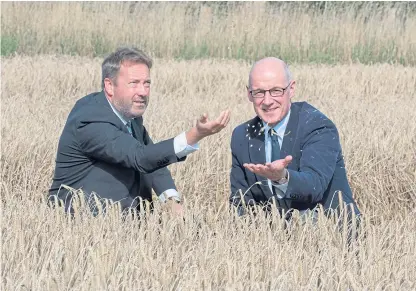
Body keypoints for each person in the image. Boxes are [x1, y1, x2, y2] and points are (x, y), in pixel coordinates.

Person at [48, 47, 230, 215]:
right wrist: (195, 135)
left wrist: (170, 199)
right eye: (134, 83)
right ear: (109, 86)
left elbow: (154, 162)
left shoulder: (129, 116)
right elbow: (140, 157)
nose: (143, 92)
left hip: (131, 226)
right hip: (86, 227)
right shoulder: (90, 120)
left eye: (147, 83)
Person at [229, 57, 360, 227]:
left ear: (291, 89)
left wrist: (282, 178)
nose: (267, 101)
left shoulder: (318, 127)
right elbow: (241, 202)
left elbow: (315, 186)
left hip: (332, 240)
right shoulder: (242, 135)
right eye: (259, 92)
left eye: (276, 91)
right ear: (249, 94)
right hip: (273, 245)